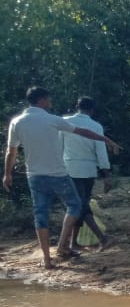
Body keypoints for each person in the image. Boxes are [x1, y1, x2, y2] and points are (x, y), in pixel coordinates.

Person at [3, 87, 116, 269]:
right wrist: (106, 140)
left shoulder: (17, 122)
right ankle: (63, 245)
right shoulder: (53, 120)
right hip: (58, 174)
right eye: (49, 99)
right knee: (76, 205)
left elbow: (11, 151)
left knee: (40, 214)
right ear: (42, 100)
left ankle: (47, 259)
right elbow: (82, 132)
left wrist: (7, 174)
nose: (50, 102)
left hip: (35, 176)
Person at [61, 96, 112, 251]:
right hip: (89, 169)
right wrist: (106, 174)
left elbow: (58, 147)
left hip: (70, 168)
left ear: (77, 107)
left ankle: (98, 239)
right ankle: (77, 241)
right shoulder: (96, 126)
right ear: (92, 110)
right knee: (81, 205)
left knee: (78, 206)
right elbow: (101, 152)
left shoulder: (64, 122)